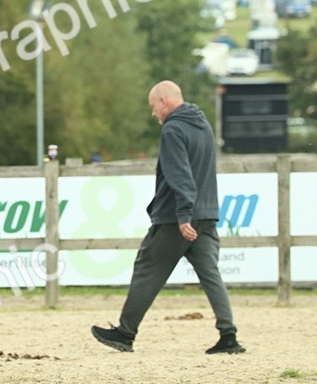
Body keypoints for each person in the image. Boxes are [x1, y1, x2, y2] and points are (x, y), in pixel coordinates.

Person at [92, 81, 244, 355]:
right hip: (207, 214)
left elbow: (180, 174)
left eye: (153, 107)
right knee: (211, 275)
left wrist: (184, 214)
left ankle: (125, 334)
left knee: (147, 269)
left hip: (176, 217)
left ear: (164, 101)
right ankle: (229, 335)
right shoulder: (203, 125)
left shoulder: (174, 129)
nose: (153, 114)